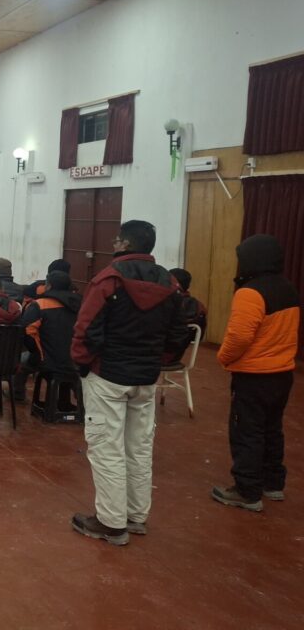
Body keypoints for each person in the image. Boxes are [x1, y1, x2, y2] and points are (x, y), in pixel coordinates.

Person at [70, 219, 187, 546]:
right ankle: (136, 515)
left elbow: (86, 328)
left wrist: (83, 364)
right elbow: (179, 332)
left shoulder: (109, 280)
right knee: (139, 447)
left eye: (116, 240)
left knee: (107, 448)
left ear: (124, 244)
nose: (113, 244)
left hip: (108, 376)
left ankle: (111, 522)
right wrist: (156, 361)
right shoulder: (170, 283)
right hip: (146, 378)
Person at [212, 234, 300, 512]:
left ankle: (247, 491)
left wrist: (223, 357)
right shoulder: (288, 288)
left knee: (247, 431)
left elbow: (239, 337)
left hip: (254, 376)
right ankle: (273, 484)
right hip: (282, 374)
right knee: (272, 429)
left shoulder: (249, 292)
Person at [22, 270, 83, 412]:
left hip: (48, 361)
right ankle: (67, 402)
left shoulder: (40, 304)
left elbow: (27, 331)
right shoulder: (82, 304)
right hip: (78, 361)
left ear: (48, 286)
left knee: (22, 361)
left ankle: (17, 395)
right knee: (68, 369)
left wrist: (39, 354)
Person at [163, 268, 208, 364]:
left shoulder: (165, 302)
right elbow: (198, 337)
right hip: (176, 356)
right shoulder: (199, 306)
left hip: (156, 356)